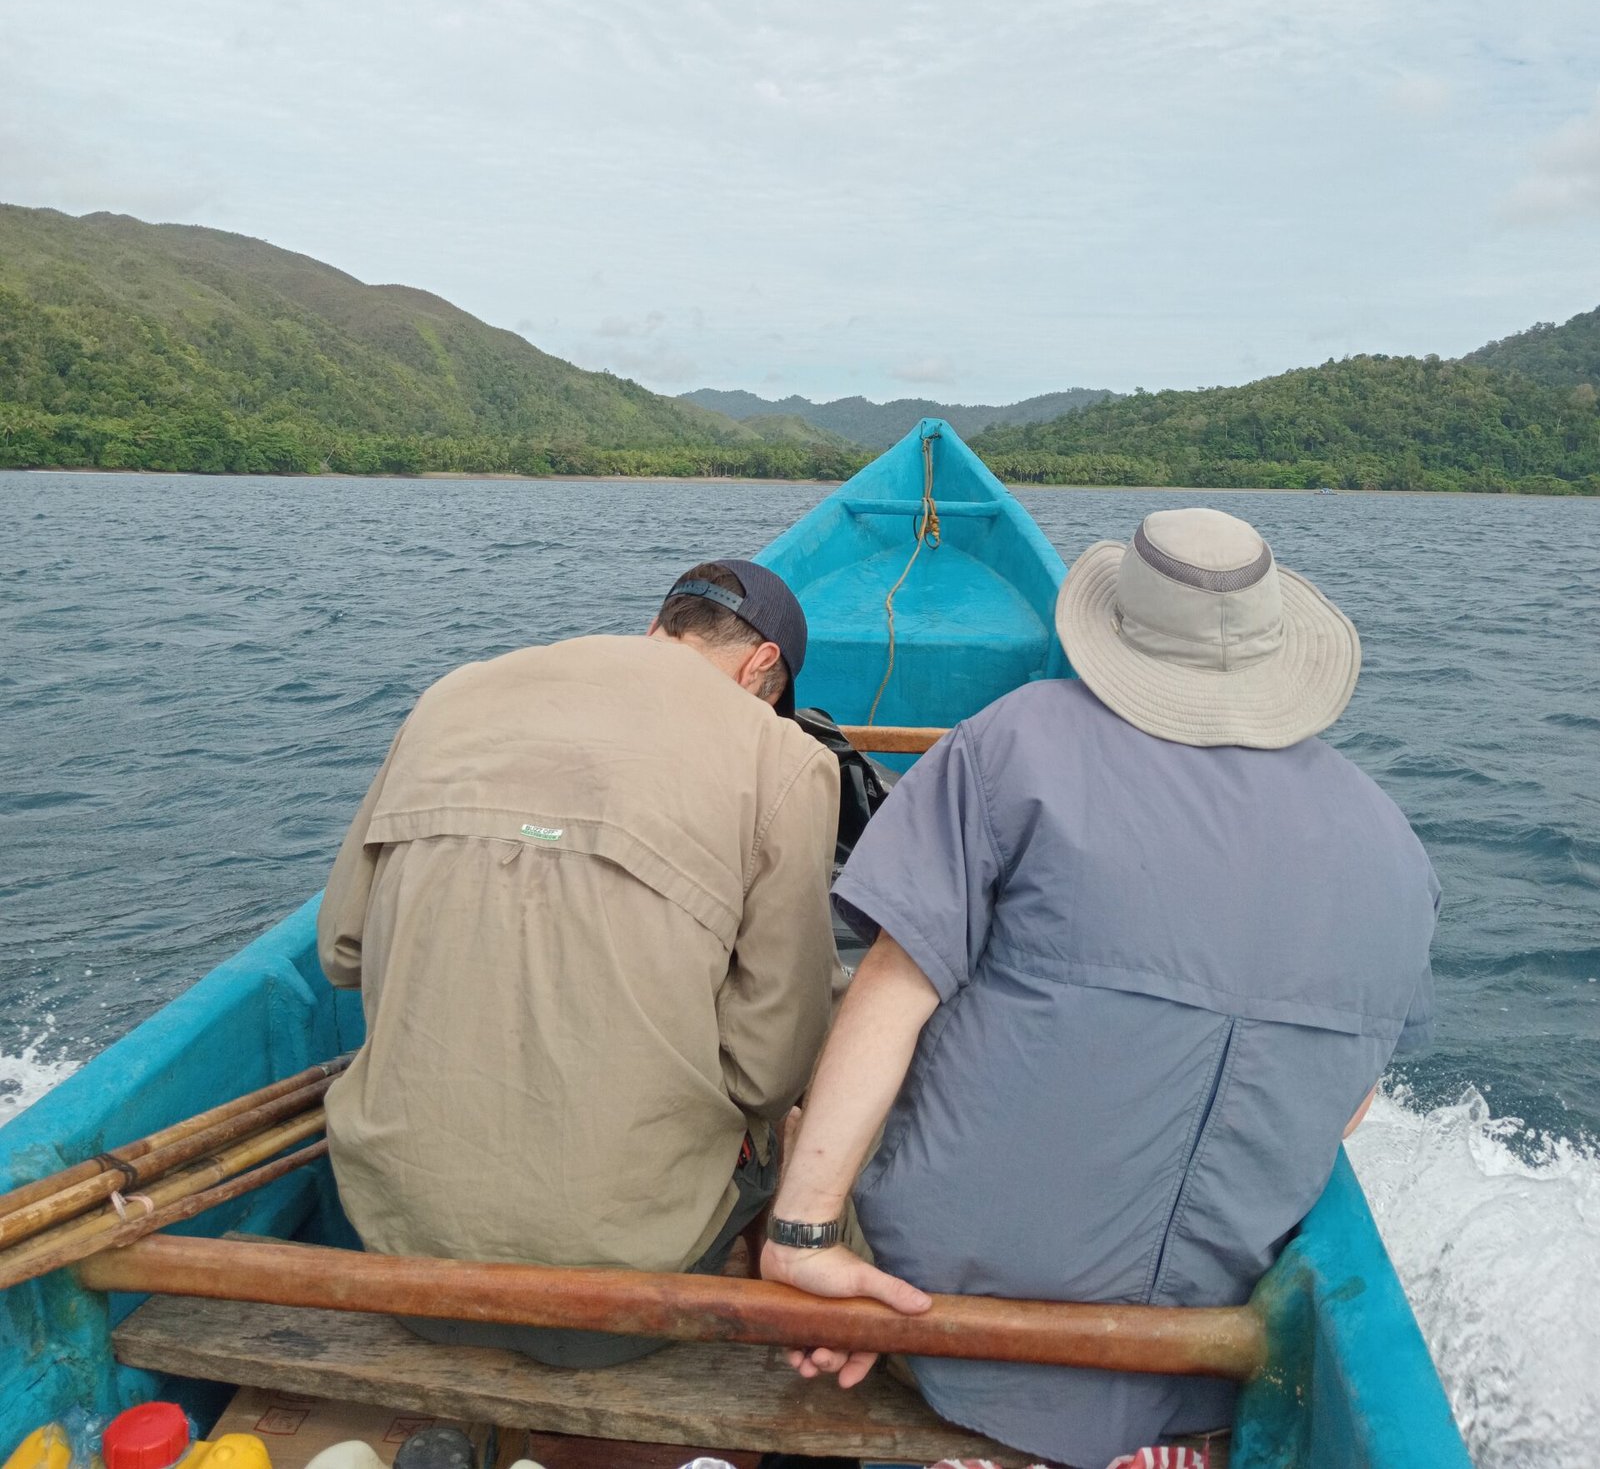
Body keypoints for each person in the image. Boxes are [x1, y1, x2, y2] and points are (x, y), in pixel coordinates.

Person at [760, 509, 1440, 1469]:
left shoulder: (1011, 740)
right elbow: (1350, 1105)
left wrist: (801, 1233)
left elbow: (892, 991)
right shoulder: (1396, 848)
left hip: (953, 1332)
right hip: (1202, 1365)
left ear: (1116, 629)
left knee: (827, 1065)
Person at [317, 558, 839, 1367]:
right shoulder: (784, 756)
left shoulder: (450, 696)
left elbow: (341, 949)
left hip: (404, 1253)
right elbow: (767, 1073)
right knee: (798, 1120)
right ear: (761, 665)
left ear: (658, 626)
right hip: (618, 1294)